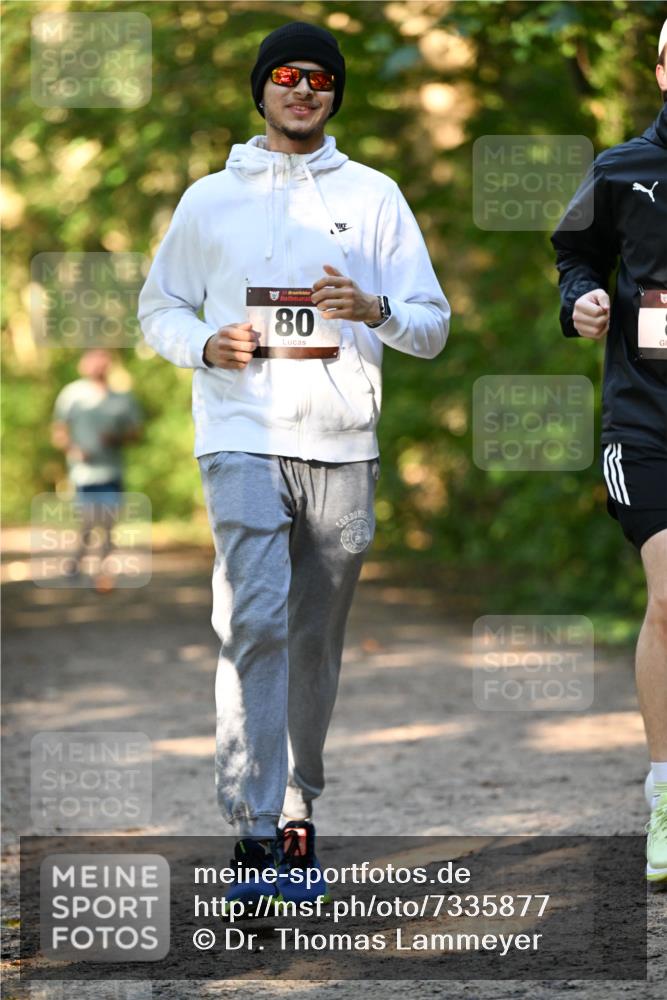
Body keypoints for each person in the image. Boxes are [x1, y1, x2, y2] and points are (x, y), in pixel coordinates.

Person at [137, 20, 450, 907]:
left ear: (335, 94)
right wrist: (205, 344)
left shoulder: (375, 196)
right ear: (261, 89)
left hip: (343, 446)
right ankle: (254, 828)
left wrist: (374, 307)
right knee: (255, 621)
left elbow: (431, 326)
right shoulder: (208, 200)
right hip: (239, 433)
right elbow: (158, 308)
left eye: (319, 77)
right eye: (286, 75)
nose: (303, 88)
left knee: (313, 639)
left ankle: (297, 806)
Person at [551, 20, 667, 883]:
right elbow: (573, 253)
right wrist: (582, 298)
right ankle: (665, 795)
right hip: (645, 423)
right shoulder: (622, 168)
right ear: (661, 68)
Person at [51, 348, 142, 591]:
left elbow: (136, 433)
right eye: (93, 360)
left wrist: (117, 438)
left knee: (108, 524)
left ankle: (102, 574)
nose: (98, 365)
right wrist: (73, 449)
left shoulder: (122, 399)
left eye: (103, 360)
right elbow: (59, 431)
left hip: (111, 471)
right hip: (83, 473)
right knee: (89, 522)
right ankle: (77, 560)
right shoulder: (71, 394)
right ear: (84, 364)